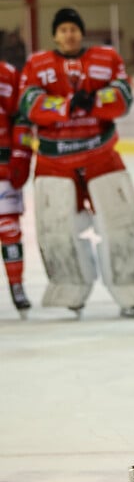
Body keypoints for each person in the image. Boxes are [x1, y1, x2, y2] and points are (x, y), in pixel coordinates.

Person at [18, 7, 134, 318]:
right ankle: (70, 287)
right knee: (57, 229)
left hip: (101, 155)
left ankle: (132, 288)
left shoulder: (106, 58)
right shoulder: (37, 64)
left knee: (121, 224)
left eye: (73, 28)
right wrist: (68, 105)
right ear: (54, 35)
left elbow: (122, 95)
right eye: (63, 29)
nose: (69, 34)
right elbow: (29, 103)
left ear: (82, 32)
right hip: (55, 160)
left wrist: (93, 101)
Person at [0, 58, 33, 316]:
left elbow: (21, 117)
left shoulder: (8, 74)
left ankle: (17, 286)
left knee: (9, 230)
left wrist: (21, 155)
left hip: (2, 169)